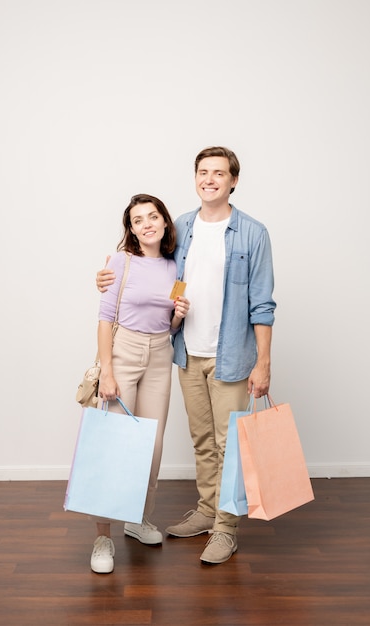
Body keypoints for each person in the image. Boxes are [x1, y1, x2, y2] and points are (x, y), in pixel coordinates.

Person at [96, 147, 276, 566]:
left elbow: (263, 305)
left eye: (219, 173)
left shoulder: (253, 233)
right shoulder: (182, 227)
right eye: (202, 172)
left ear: (233, 180)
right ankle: (208, 510)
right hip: (185, 353)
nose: (209, 179)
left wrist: (263, 363)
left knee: (229, 442)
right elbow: (151, 272)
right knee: (202, 441)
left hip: (231, 355)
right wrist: (106, 275)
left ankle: (226, 529)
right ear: (195, 178)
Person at [91, 193, 189, 574]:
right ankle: (103, 536)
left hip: (160, 354)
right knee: (114, 446)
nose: (147, 223)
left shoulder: (174, 267)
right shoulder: (120, 262)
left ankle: (136, 518)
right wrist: (108, 370)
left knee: (151, 444)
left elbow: (168, 324)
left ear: (165, 222)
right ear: (130, 229)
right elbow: (104, 318)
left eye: (153, 216)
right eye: (138, 220)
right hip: (124, 351)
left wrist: (179, 317)